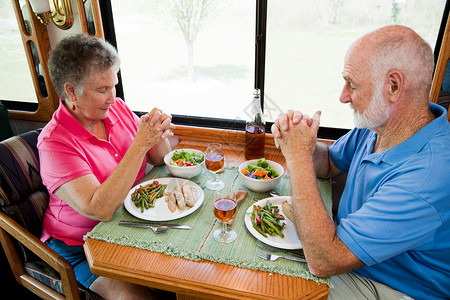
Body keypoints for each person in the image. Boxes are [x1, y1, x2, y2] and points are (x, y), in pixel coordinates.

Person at [272, 25, 450, 299]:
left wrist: (296, 158)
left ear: (393, 86)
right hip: (349, 255)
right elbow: (330, 163)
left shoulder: (428, 175)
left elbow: (324, 261)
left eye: (352, 84)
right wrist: (304, 144)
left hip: (393, 287)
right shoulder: (378, 125)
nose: (343, 96)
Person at [38, 34, 174, 299]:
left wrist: (156, 132)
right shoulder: (54, 143)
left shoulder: (118, 108)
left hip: (130, 225)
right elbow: (99, 208)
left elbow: (159, 158)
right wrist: (140, 144)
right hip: (81, 248)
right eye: (102, 90)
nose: (113, 98)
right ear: (71, 91)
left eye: (114, 86)